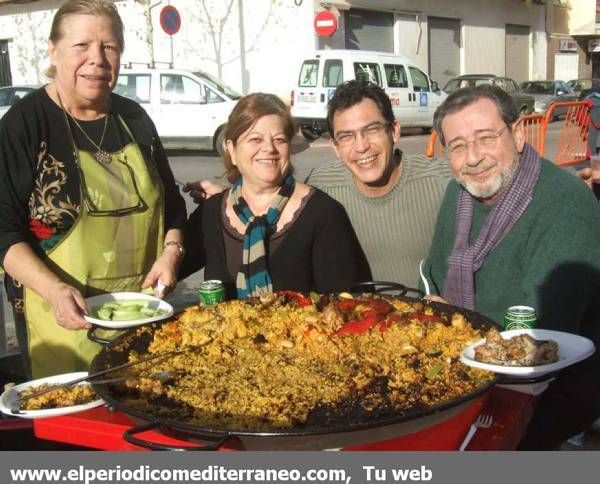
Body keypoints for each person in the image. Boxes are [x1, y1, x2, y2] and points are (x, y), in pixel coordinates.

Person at [0, 0, 186, 378]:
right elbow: (2, 228)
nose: (97, 59)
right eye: (81, 46)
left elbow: (172, 204)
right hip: (62, 323)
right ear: (53, 51)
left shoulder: (134, 118)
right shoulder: (26, 123)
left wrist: (171, 253)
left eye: (109, 46)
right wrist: (53, 290)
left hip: (141, 317)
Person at [422, 84, 600, 449]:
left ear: (518, 134)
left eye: (486, 138)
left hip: (550, 389)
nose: (473, 157)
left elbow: (541, 335)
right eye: (457, 146)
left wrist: (451, 326)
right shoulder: (458, 194)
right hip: (476, 373)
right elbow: (437, 283)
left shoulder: (566, 204)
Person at [185, 81, 452, 288]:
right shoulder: (324, 184)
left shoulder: (441, 182)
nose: (361, 147)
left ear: (394, 131)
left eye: (371, 130)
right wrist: (226, 197)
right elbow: (270, 191)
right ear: (334, 146)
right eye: (346, 136)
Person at [180, 92, 370, 299]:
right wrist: (171, 249)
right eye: (255, 139)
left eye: (279, 139)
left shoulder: (324, 214)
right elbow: (167, 269)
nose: (269, 148)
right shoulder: (212, 213)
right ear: (231, 150)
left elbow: (350, 308)